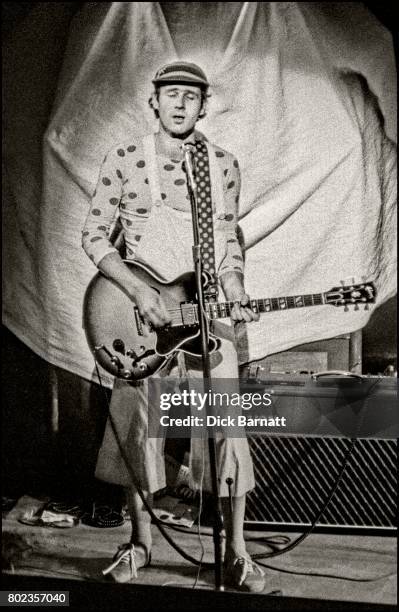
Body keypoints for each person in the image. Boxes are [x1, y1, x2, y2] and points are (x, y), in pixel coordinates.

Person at [82, 61, 265, 592]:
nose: (181, 104)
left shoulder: (222, 165)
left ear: (204, 106)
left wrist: (234, 288)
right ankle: (139, 545)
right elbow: (94, 236)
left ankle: (236, 552)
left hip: (205, 312)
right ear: (154, 103)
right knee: (140, 427)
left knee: (228, 425)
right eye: (171, 94)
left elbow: (229, 245)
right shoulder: (123, 159)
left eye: (191, 96)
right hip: (142, 319)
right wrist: (139, 291)